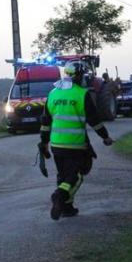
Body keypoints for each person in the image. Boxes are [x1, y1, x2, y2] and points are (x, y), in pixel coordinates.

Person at [39, 61, 114, 220]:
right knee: (76, 176)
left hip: (56, 145)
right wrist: (105, 137)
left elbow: (45, 122)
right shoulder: (82, 94)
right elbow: (95, 121)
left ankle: (67, 208)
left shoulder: (53, 93)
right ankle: (59, 196)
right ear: (79, 76)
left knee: (63, 175)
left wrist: (44, 144)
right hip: (75, 144)